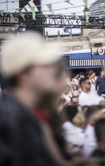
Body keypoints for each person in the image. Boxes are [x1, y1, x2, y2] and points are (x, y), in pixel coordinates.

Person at [0, 32, 62, 166]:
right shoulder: (7, 120)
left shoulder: (29, 116)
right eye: (44, 65)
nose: (53, 70)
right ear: (24, 75)